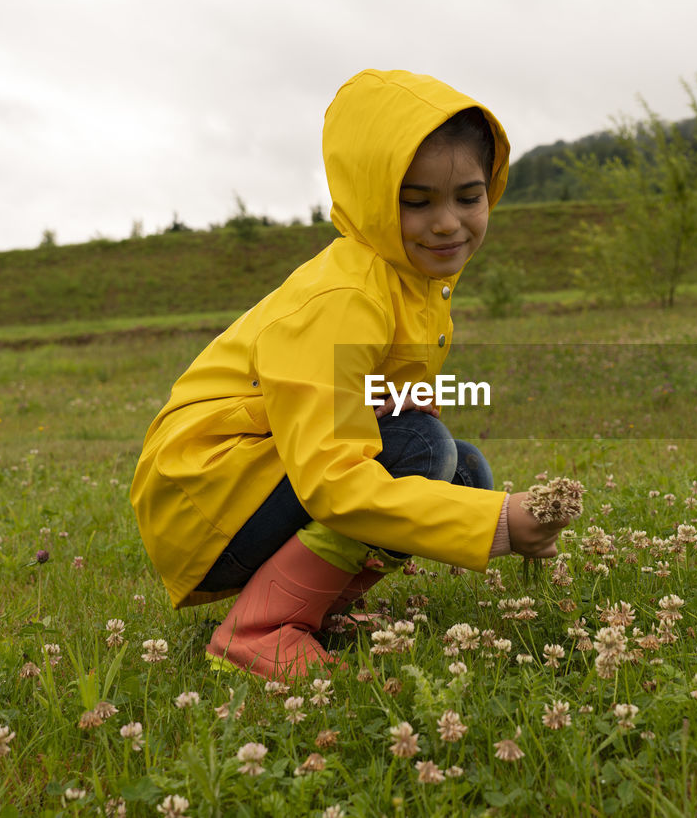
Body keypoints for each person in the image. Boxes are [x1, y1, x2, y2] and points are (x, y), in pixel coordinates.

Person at [129, 69, 566, 681]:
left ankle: (314, 607)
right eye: (416, 202)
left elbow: (352, 389)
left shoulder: (411, 278)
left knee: (462, 470)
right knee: (421, 451)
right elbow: (333, 480)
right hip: (207, 499)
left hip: (255, 477)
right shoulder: (343, 296)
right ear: (370, 198)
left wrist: (396, 396)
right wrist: (497, 524)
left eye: (469, 197)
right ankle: (258, 630)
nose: (448, 222)